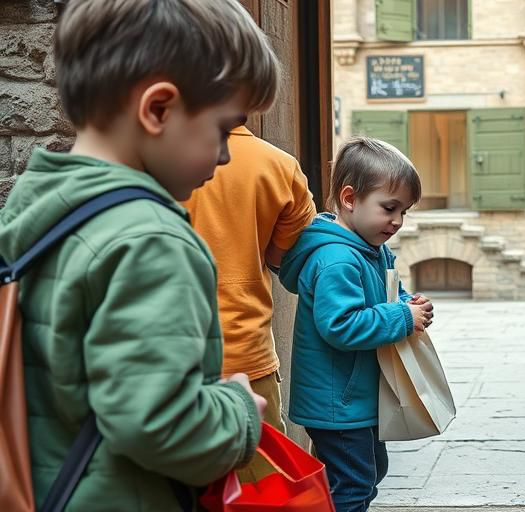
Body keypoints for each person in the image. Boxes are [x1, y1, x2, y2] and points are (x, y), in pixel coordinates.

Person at [0, 0, 281, 508]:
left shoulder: (34, 202)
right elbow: (159, 423)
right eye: (223, 130)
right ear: (158, 110)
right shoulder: (153, 240)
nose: (224, 155)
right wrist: (239, 411)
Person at [279, 137, 434, 512]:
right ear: (350, 199)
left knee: (369, 472)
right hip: (336, 403)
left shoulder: (372, 250)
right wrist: (401, 318)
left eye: (404, 211)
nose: (397, 221)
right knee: (353, 484)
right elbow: (341, 325)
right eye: (389, 208)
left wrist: (407, 304)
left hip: (357, 398)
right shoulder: (337, 260)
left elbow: (386, 293)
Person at [182, 124, 316, 481]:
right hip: (247, 351)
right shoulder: (280, 166)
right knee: (261, 488)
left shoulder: (155, 158)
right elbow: (280, 256)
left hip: (171, 355)